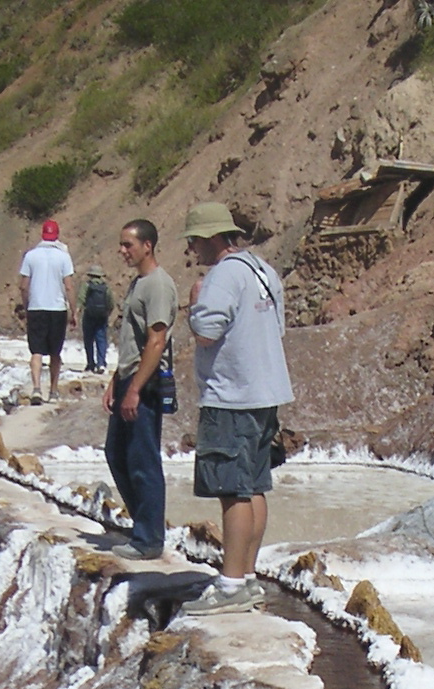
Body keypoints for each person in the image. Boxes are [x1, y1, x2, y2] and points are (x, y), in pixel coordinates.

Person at [180, 201, 292, 616]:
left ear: (210, 237)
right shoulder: (262, 270)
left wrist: (194, 305)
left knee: (233, 490)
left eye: (193, 241)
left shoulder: (223, 275)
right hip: (265, 391)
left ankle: (228, 586)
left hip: (232, 395)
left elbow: (207, 332)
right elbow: (276, 326)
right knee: (255, 484)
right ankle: (245, 576)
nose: (192, 250)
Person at [103, 218, 176, 561]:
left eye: (128, 245)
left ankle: (149, 538)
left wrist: (133, 389)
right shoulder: (138, 284)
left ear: (148, 245)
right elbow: (131, 339)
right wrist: (115, 381)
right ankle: (142, 528)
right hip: (128, 378)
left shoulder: (158, 286)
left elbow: (156, 340)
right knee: (117, 453)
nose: (122, 251)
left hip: (143, 384)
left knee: (142, 459)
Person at [17, 219, 76, 402]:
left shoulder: (31, 256)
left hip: (36, 307)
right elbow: (69, 287)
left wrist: (27, 306)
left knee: (36, 351)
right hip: (57, 308)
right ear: (56, 235)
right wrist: (73, 311)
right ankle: (53, 390)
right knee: (55, 352)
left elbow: (23, 286)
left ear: (42, 234)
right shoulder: (64, 257)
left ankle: (36, 389)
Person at [81, 262, 113, 375]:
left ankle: (90, 363)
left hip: (89, 316)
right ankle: (101, 363)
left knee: (88, 340)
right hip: (102, 316)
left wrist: (78, 312)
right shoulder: (106, 287)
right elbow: (110, 303)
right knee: (101, 339)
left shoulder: (87, 285)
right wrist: (107, 313)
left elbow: (81, 299)